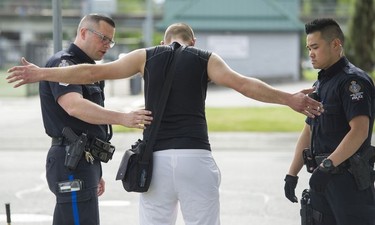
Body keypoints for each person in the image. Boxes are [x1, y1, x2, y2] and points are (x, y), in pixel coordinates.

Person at [7, 23, 323, 225]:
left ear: (163, 40)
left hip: (154, 162)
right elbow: (245, 84)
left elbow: (91, 73)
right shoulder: (205, 58)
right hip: (195, 157)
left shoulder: (146, 56)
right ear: (193, 40)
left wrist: (42, 74)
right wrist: (289, 99)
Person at [20, 14, 152, 225]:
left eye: (111, 40)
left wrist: (95, 169)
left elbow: (86, 126)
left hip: (81, 159)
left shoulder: (88, 69)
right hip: (70, 161)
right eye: (103, 38)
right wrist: (123, 118)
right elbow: (74, 106)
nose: (107, 45)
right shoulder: (64, 65)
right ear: (83, 33)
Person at [283, 18, 375, 225]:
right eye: (308, 48)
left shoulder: (353, 82)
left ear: (335, 45)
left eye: (315, 47)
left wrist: (327, 166)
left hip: (348, 182)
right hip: (322, 180)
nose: (310, 54)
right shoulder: (321, 84)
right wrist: (292, 173)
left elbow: (359, 130)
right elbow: (309, 130)